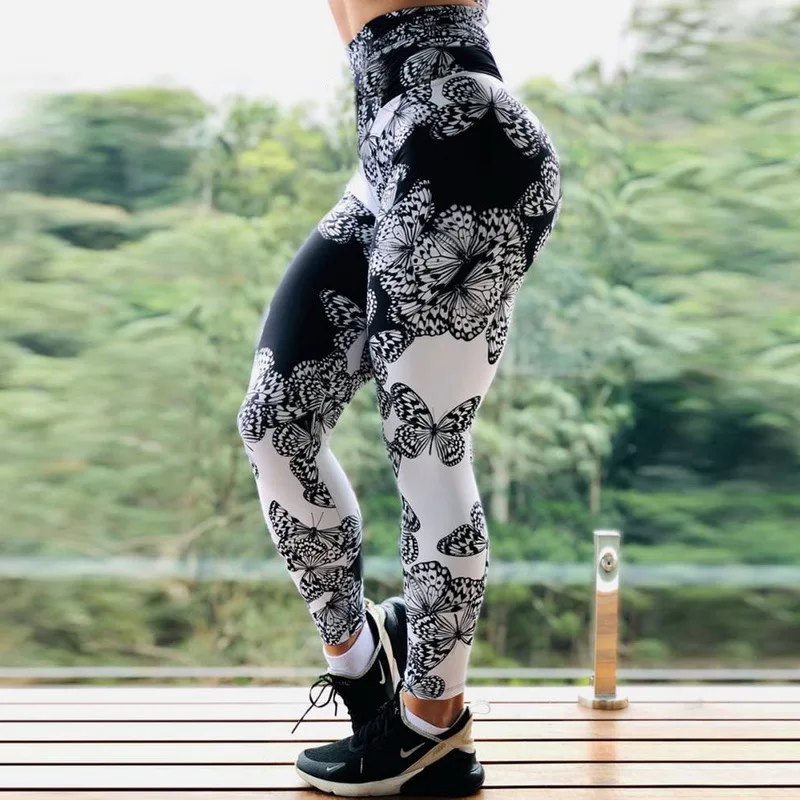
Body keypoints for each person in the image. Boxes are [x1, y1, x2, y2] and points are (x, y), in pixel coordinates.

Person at [236, 0, 561, 795]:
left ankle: (432, 728)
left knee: (429, 442)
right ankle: (362, 671)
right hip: (386, 152)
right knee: (274, 423)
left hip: (461, 137)